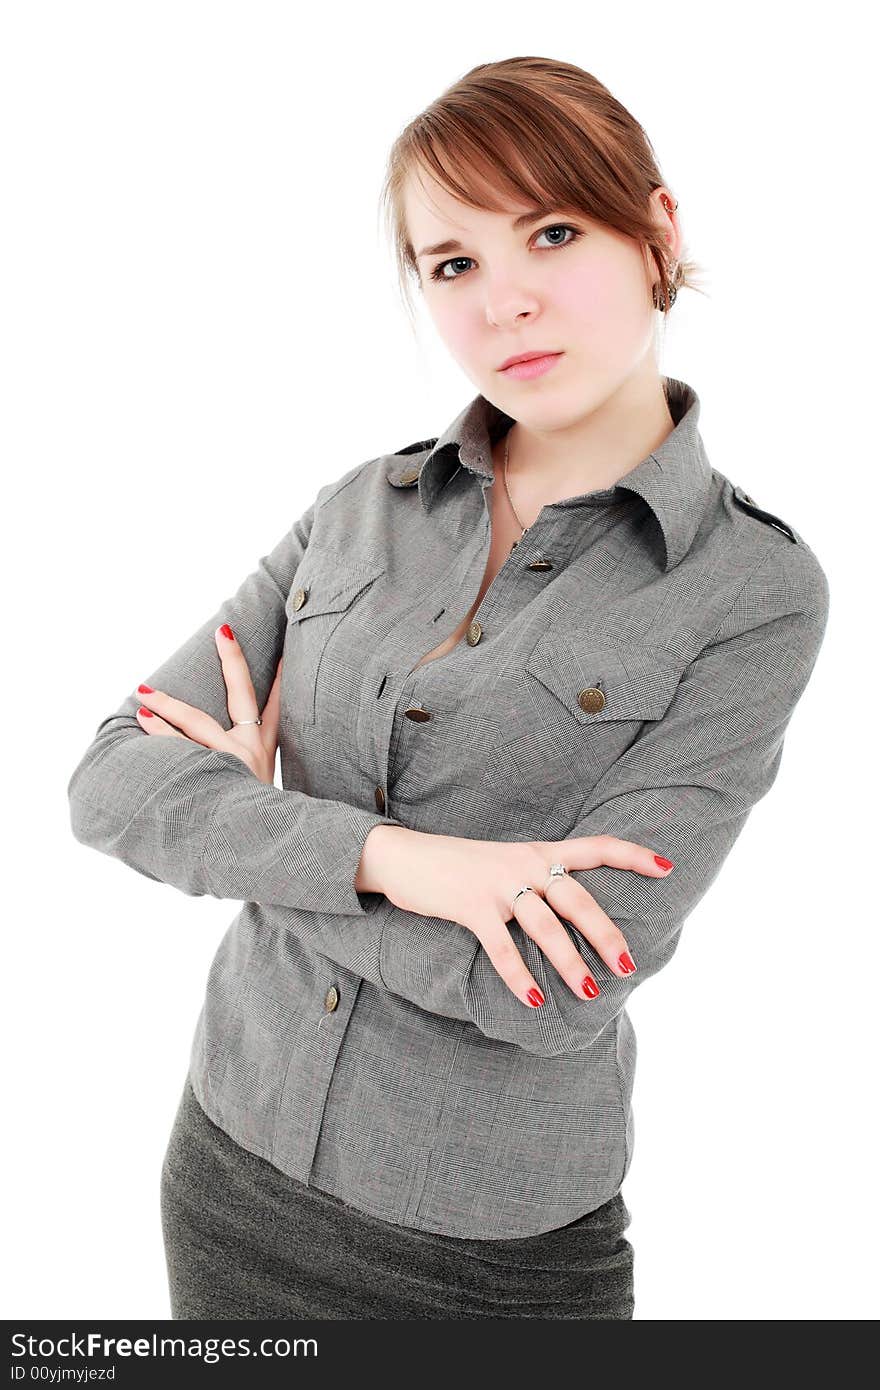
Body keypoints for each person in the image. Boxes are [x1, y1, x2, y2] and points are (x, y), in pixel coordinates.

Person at [66, 56, 830, 1320]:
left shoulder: (750, 590)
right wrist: (408, 863)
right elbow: (109, 780)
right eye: (453, 263)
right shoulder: (360, 508)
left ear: (657, 232)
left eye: (551, 231)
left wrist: (259, 833)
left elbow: (550, 983)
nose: (504, 303)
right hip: (228, 1158)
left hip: (489, 1247)